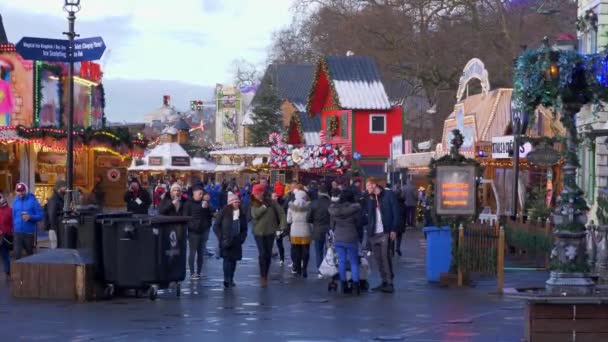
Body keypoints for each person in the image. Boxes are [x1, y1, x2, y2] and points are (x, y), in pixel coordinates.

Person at [365, 177, 400, 293]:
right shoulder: (369, 198)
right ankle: (384, 281)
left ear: (374, 185)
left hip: (385, 231)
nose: (367, 189)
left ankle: (390, 282)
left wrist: (394, 229)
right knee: (378, 259)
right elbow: (368, 216)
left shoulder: (388, 195)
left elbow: (396, 212)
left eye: (368, 186)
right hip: (373, 233)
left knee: (385, 257)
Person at [251, 184, 286, 287]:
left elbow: (281, 213)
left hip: (270, 232)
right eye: (254, 193)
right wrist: (264, 206)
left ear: (262, 193)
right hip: (258, 232)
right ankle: (263, 276)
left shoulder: (272, 202)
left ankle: (265, 273)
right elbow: (255, 214)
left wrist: (282, 226)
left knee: (268, 254)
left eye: (257, 193)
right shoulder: (254, 202)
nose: (255, 195)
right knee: (262, 254)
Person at [329, 189, 363, 295]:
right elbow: (359, 224)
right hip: (351, 237)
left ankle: (343, 285)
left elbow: (332, 225)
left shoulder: (335, 210)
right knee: (354, 262)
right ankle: (355, 286)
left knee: (342, 261)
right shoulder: (355, 210)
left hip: (338, 238)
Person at [213, 193, 248, 289]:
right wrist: (221, 237)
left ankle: (231, 278)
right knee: (227, 260)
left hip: (237, 240)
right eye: (235, 202)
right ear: (230, 203)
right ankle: (226, 279)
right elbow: (216, 226)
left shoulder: (241, 213)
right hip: (226, 240)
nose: (237, 203)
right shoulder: (224, 212)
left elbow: (244, 228)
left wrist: (242, 238)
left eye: (238, 202)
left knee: (233, 261)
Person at [183, 186, 214, 280]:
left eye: (202, 194)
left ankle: (199, 272)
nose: (201, 196)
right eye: (199, 194)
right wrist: (191, 226)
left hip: (203, 230)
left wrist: (206, 208)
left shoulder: (204, 203)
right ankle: (192, 273)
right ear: (194, 193)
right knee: (193, 252)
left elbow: (211, 214)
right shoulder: (188, 203)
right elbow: (185, 217)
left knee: (201, 252)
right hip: (193, 231)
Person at [12, 183, 43, 260]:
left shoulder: (33, 201)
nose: (20, 193)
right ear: (16, 191)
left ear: (26, 190)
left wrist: (30, 217)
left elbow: (40, 216)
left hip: (28, 233)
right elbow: (13, 216)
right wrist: (13, 228)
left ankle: (30, 271)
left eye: (22, 191)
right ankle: (18, 272)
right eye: (18, 191)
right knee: (17, 255)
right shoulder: (15, 202)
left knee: (29, 255)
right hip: (17, 233)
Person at [287, 189, 312, 278]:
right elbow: (311, 219)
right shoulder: (309, 206)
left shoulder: (291, 206)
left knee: (295, 249)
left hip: (294, 230)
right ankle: (304, 268)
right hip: (305, 230)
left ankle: (296, 267)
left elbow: (288, 220)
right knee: (305, 250)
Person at [308, 184, 331, 277]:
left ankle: (320, 270)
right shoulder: (331, 203)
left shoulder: (314, 203)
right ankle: (330, 268)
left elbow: (308, 218)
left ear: (319, 192)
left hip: (317, 229)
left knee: (318, 251)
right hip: (329, 229)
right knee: (330, 250)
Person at [45, 180, 67, 249]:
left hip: (58, 228)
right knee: (55, 248)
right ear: (59, 188)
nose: (66, 189)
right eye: (64, 187)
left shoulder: (59, 198)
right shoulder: (54, 199)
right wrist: (55, 230)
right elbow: (52, 216)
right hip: (55, 229)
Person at [0, 194, 13, 279]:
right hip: (3, 235)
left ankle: (8, 271)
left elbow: (12, 224)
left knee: (5, 255)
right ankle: (7, 271)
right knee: (5, 255)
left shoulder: (9, 211)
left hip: (4, 236)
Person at [272, 191, 287, 265]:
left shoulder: (280, 205)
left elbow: (282, 217)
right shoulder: (268, 205)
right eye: (274, 196)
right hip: (270, 228)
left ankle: (282, 259)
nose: (275, 198)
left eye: (276, 196)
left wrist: (282, 227)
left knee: (279, 243)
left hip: (278, 228)